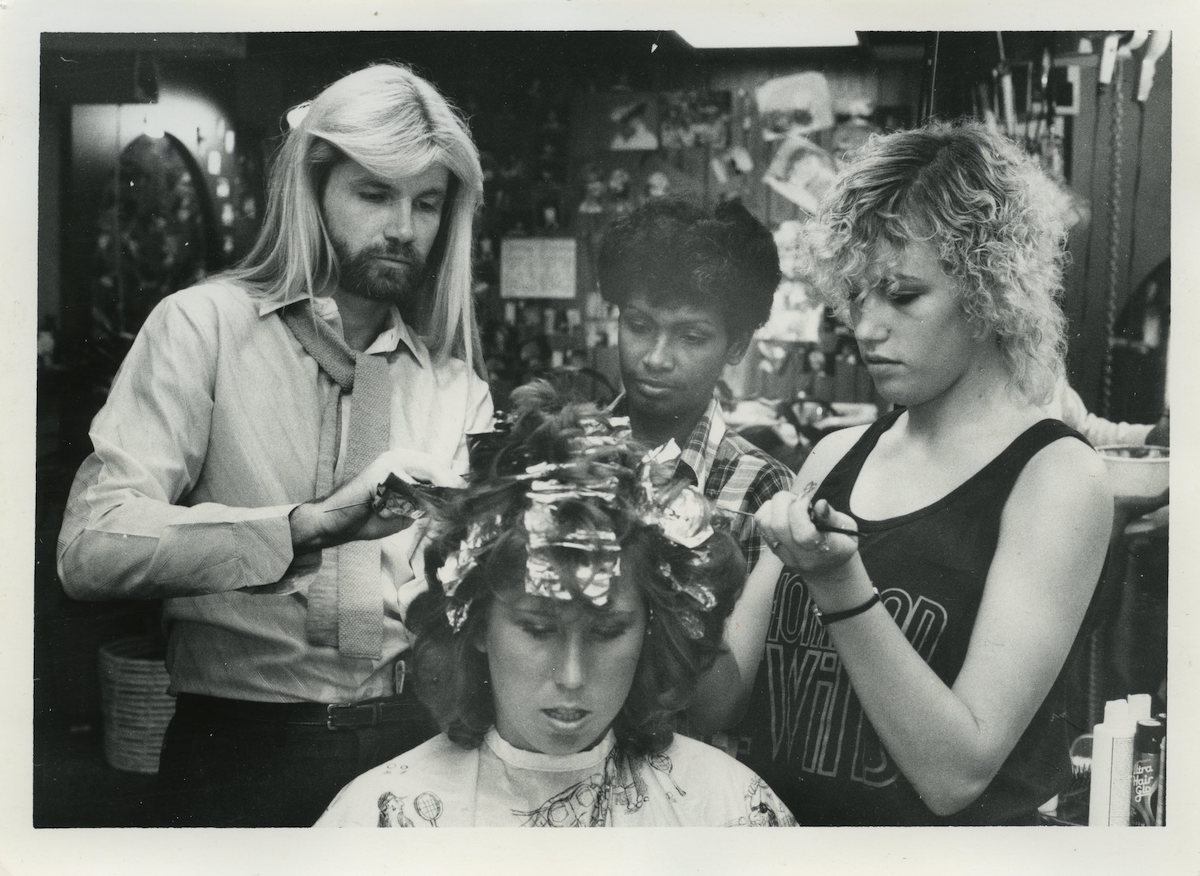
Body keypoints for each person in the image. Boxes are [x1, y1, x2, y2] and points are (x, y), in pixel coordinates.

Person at [56, 63, 493, 827]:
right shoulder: (201, 330)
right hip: (241, 745)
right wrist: (303, 527)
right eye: (373, 193)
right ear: (312, 191)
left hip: (414, 747)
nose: (402, 227)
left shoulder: (456, 390)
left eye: (427, 203)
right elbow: (89, 547)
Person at [698, 121, 1113, 825]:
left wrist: (838, 582)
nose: (866, 327)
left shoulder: (1056, 478)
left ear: (989, 292)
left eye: (903, 295)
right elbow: (718, 701)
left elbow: (957, 773)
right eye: (857, 296)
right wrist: (666, 569)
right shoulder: (835, 458)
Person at [316, 384, 796, 827]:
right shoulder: (383, 821)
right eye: (539, 629)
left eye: (607, 632)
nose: (572, 676)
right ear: (477, 622)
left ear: (652, 626)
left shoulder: (728, 813)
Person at [598, 198, 791, 571]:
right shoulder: (563, 451)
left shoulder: (764, 490)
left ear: (736, 346)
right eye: (638, 326)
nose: (656, 358)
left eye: (691, 336)